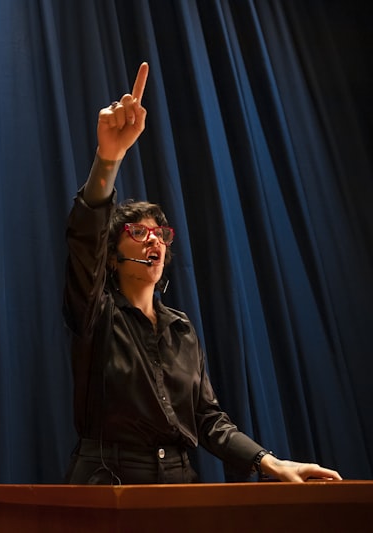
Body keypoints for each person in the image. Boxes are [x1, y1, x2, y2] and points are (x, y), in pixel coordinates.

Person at [63, 62, 342, 485]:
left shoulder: (181, 329)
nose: (154, 241)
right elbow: (85, 242)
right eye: (138, 232)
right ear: (113, 254)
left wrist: (270, 461)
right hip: (110, 479)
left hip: (179, 483)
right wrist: (109, 158)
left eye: (160, 234)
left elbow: (207, 419)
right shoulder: (95, 312)